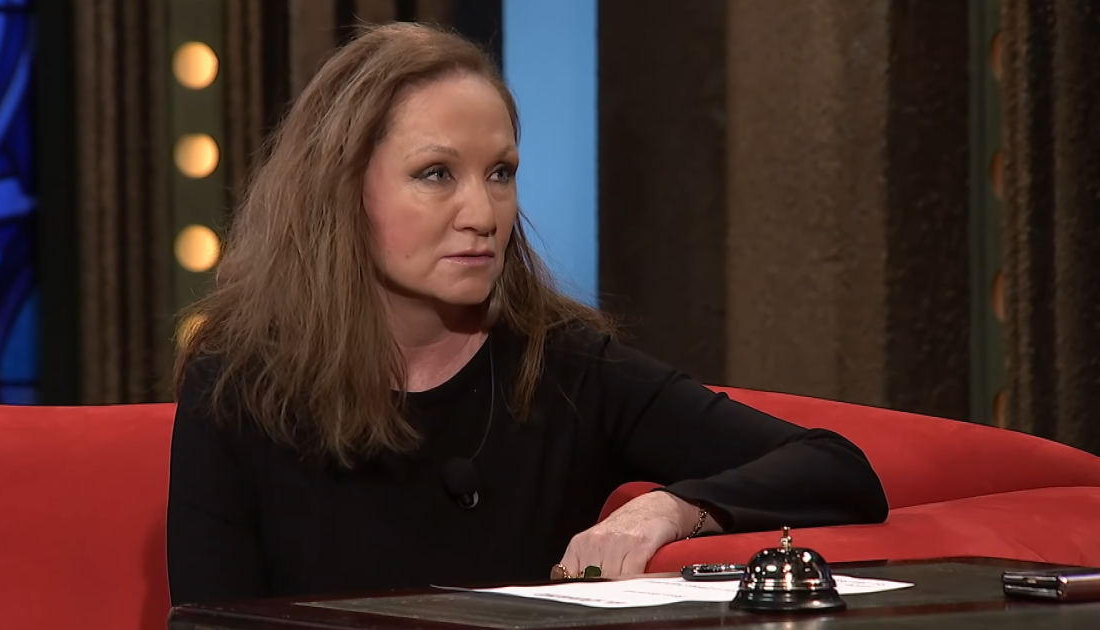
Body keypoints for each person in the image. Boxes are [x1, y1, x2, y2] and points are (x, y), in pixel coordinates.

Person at [166, 21, 888, 606]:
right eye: (436, 174)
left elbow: (836, 468)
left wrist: (668, 510)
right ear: (342, 189)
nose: (483, 214)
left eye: (500, 173)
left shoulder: (564, 365)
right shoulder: (239, 383)